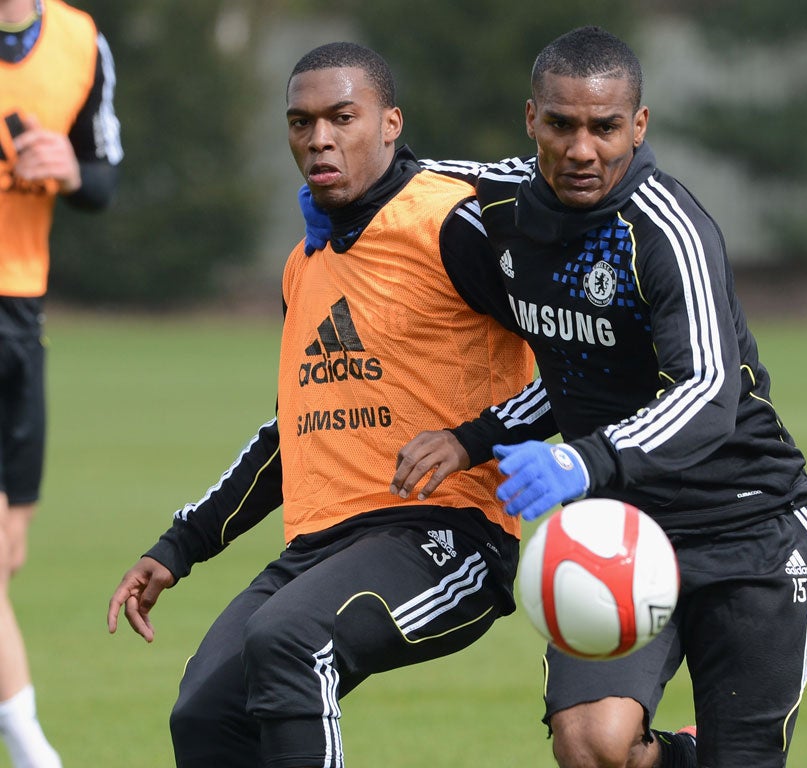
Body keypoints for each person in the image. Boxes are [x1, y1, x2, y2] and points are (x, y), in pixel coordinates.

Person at [380, 26, 807, 768]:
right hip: (617, 525)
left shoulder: (667, 230)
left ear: (638, 126)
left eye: (605, 127)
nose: (582, 149)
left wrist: (580, 463)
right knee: (590, 745)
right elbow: (412, 173)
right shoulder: (508, 201)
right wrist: (345, 202)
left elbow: (709, 391)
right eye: (562, 124)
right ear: (532, 119)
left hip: (745, 523)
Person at [106, 42, 537, 768]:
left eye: (343, 117)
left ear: (391, 122)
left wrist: (474, 437)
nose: (319, 139)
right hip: (320, 547)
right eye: (301, 123)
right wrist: (178, 547)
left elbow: (574, 358)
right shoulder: (304, 265)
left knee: (291, 641)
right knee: (207, 714)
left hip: (449, 537)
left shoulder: (450, 223)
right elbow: (291, 433)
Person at [1, 1, 122, 765]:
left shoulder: (82, 42)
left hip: (20, 317)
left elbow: (104, 177)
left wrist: (74, 172)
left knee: (6, 554)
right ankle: (35, 748)